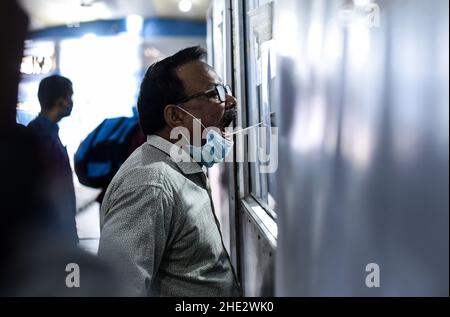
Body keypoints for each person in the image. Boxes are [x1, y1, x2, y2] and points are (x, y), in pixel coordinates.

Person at [98, 46, 240, 296]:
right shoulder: (150, 183)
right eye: (214, 93)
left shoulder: (181, 168)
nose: (231, 100)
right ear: (176, 115)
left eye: (225, 89)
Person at [27, 75, 79, 245]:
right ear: (60, 100)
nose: (71, 102)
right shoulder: (41, 136)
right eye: (69, 97)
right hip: (52, 236)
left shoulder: (46, 132)